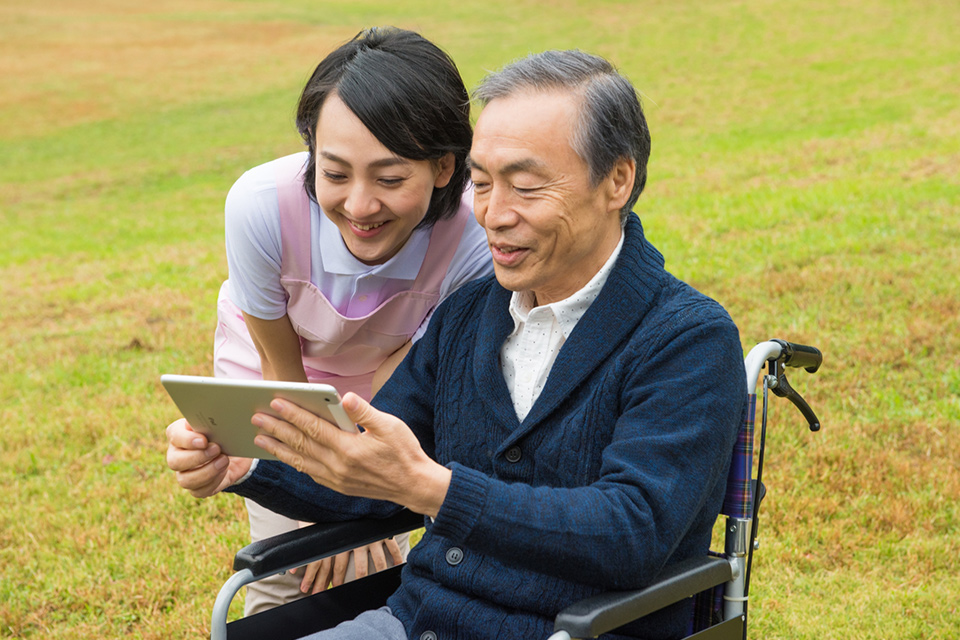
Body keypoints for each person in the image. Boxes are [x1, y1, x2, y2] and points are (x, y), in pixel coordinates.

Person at [168, 49, 747, 639]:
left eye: (524, 186)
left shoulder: (686, 339)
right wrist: (248, 463)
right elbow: (371, 465)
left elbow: (633, 532)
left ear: (617, 180)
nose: (493, 215)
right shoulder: (469, 316)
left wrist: (435, 489)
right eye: (482, 184)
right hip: (414, 622)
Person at [206, 27, 492, 615]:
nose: (359, 205)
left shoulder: (472, 237)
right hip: (278, 382)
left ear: (443, 166)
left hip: (392, 387)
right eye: (334, 174)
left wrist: (358, 491)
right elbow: (280, 373)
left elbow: (414, 373)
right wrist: (318, 498)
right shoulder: (260, 204)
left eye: (389, 179)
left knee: (376, 561)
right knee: (290, 572)